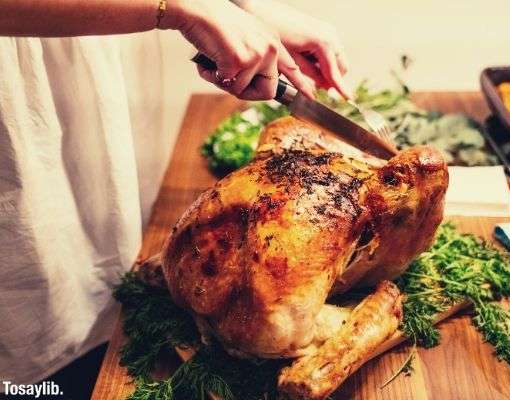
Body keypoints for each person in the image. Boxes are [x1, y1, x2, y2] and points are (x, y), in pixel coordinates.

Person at [0, 0, 350, 394]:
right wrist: (180, 8)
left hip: (95, 32)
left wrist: (241, 8)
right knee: (42, 317)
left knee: (101, 266)